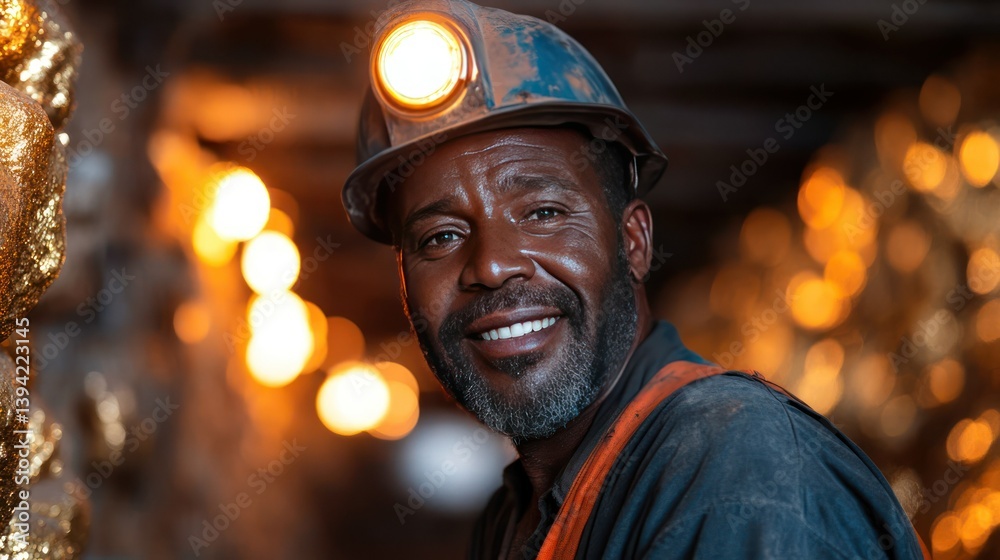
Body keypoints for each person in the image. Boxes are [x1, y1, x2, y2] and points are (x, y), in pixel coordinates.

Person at [341, 1, 929, 558]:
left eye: (543, 213)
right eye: (439, 237)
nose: (492, 265)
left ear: (634, 242)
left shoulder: (736, 464)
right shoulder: (512, 516)